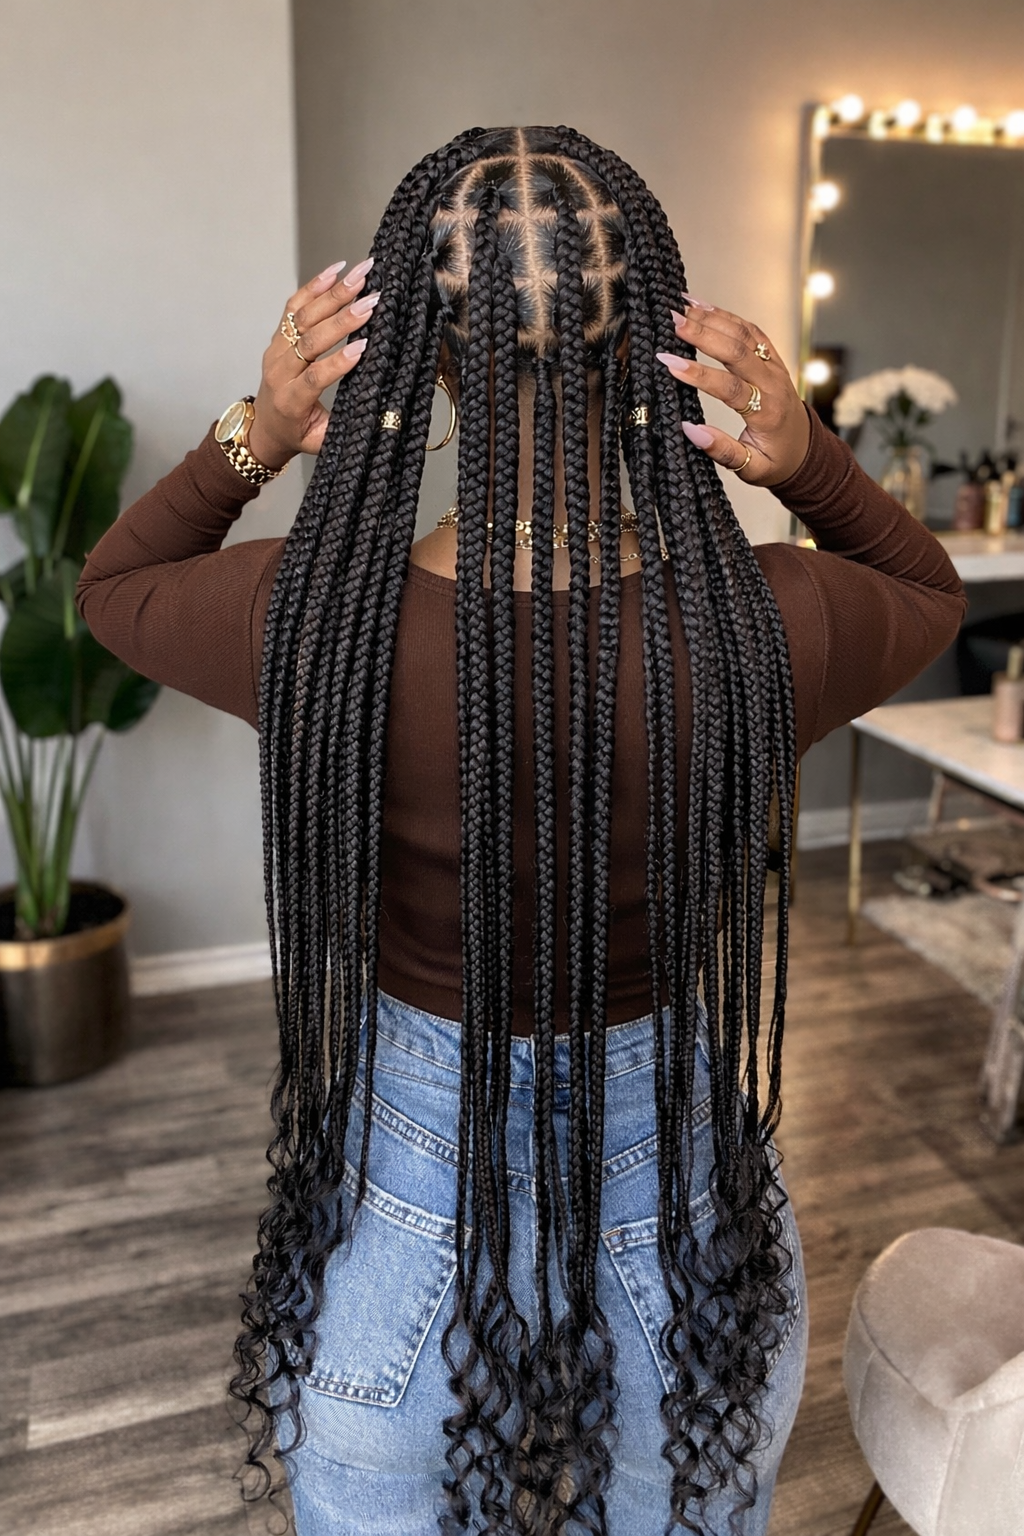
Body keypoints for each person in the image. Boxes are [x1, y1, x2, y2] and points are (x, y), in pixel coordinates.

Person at [77, 126, 965, 1536]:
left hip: (399, 1215)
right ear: (654, 343)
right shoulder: (760, 628)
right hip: (677, 1210)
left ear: (416, 349)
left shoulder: (315, 619)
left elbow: (116, 586)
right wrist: (803, 459)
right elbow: (926, 591)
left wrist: (259, 422)